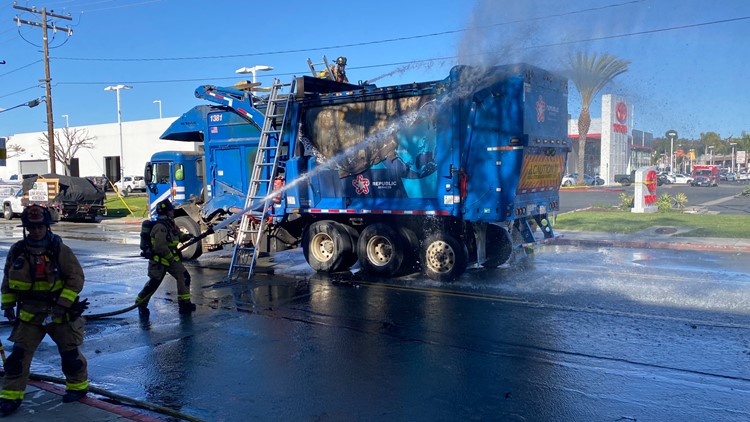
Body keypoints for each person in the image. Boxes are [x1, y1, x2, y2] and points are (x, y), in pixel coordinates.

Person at [0, 205, 89, 416]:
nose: (36, 231)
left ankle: (77, 387)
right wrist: (8, 305)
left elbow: (76, 278)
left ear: (47, 227)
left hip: (60, 314)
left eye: (40, 227)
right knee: (18, 358)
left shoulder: (60, 250)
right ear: (26, 228)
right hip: (30, 314)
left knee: (70, 355)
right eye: (32, 227)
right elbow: (7, 280)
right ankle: (10, 398)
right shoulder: (18, 250)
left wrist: (62, 305)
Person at [134, 199, 196, 317]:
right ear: (166, 212)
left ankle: (184, 304)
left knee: (184, 277)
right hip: (159, 261)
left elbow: (177, 236)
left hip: (170, 260)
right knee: (154, 283)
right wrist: (171, 259)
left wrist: (187, 237)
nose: (173, 212)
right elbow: (160, 247)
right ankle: (140, 303)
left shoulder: (170, 224)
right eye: (171, 210)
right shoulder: (160, 227)